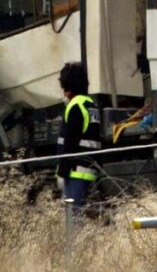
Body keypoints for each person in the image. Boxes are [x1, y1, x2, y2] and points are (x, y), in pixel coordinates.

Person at [56, 62, 101, 212]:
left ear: (67, 88)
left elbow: (70, 142)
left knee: (74, 217)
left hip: (74, 171)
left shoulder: (74, 106)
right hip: (89, 169)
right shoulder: (91, 105)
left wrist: (62, 172)